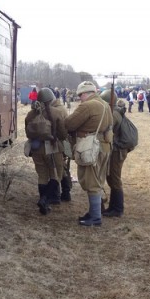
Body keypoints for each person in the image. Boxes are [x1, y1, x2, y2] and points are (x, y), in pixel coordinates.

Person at [65, 81, 113, 226]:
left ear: (85, 93)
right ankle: (93, 213)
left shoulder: (88, 105)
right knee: (97, 180)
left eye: (80, 95)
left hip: (91, 148)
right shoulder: (105, 105)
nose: (80, 98)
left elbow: (69, 124)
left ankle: (95, 217)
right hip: (104, 147)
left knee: (91, 181)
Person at [25, 88, 67, 215]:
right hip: (52, 149)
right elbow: (63, 134)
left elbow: (28, 133)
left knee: (42, 176)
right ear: (51, 99)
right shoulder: (56, 112)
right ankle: (45, 200)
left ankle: (43, 201)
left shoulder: (31, 114)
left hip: (36, 148)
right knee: (56, 175)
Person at [100, 90, 130, 217]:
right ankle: (113, 207)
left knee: (115, 178)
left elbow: (105, 128)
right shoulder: (115, 112)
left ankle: (117, 209)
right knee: (111, 177)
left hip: (118, 150)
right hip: (117, 149)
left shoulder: (114, 114)